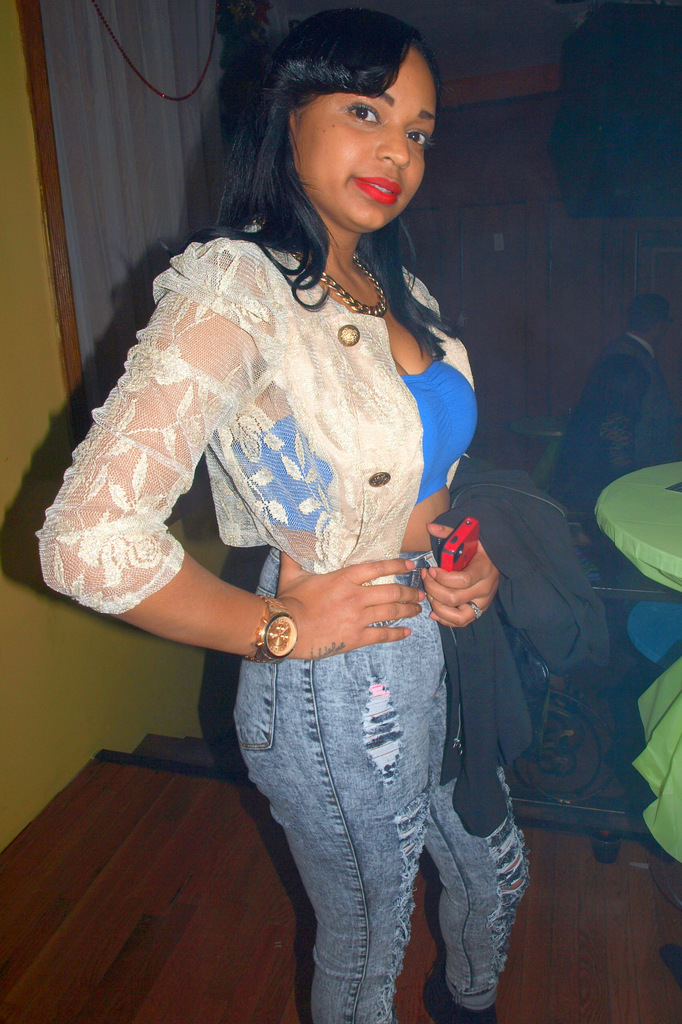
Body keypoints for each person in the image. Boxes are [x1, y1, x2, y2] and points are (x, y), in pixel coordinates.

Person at [39, 11, 527, 1023]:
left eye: (419, 132)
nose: (399, 152)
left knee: (495, 872)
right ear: (286, 113)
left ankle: (466, 1006)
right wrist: (278, 628)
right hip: (334, 686)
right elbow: (86, 541)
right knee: (371, 938)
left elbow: (414, 483)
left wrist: (457, 559)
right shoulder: (237, 288)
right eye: (366, 112)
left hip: (432, 638)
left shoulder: (398, 286)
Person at [550, 353, 650, 516]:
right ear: (630, 390)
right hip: (592, 504)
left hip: (568, 494)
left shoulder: (587, 410)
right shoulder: (616, 421)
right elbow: (622, 472)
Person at [598, 293, 677, 468]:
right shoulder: (629, 359)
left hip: (645, 463)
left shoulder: (627, 352)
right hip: (641, 465)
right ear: (660, 325)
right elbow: (618, 420)